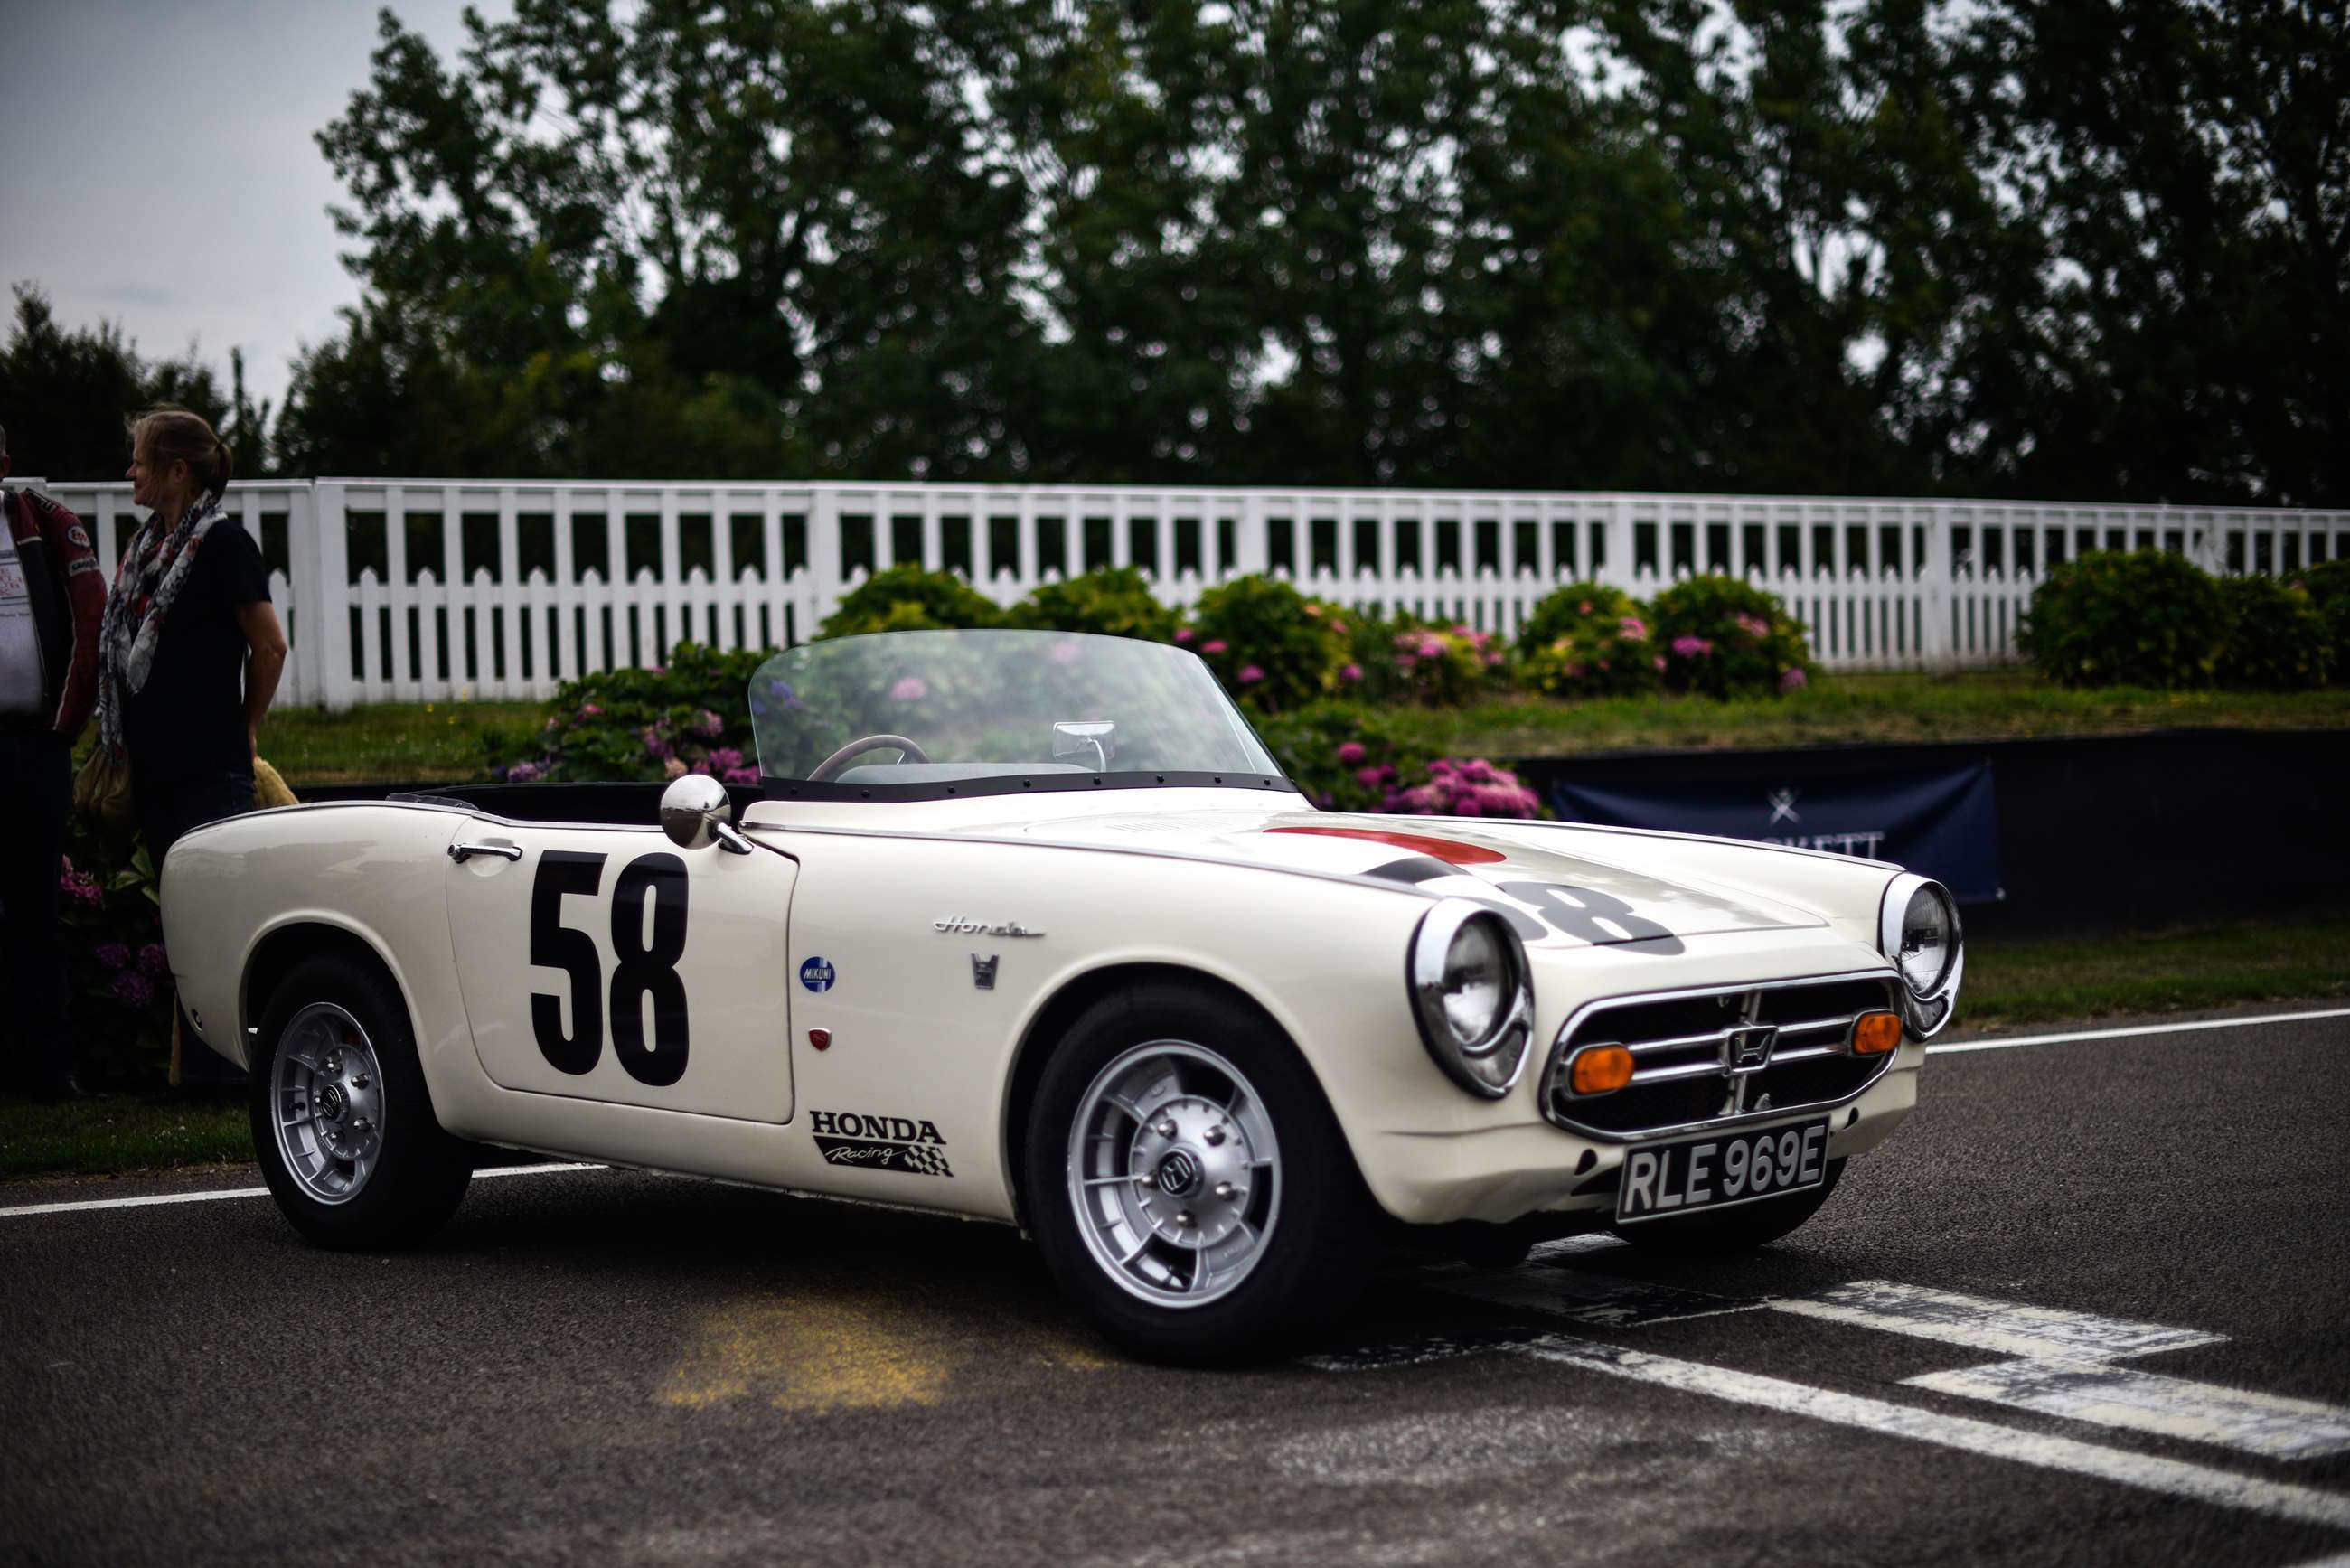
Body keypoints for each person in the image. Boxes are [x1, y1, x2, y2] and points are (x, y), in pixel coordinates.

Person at [91, 407, 287, 1087]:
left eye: (141, 460)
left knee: (217, 930)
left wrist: (247, 724)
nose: (131, 472)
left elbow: (269, 644)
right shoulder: (148, 548)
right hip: (156, 771)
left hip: (208, 766)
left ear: (178, 470)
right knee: (183, 929)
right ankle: (197, 1076)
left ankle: (227, 1078)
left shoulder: (223, 545)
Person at [0, 421, 107, 1099]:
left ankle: (46, 1072)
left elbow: (91, 622)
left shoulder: (42, 520)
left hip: (37, 746)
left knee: (37, 914)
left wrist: (63, 729)